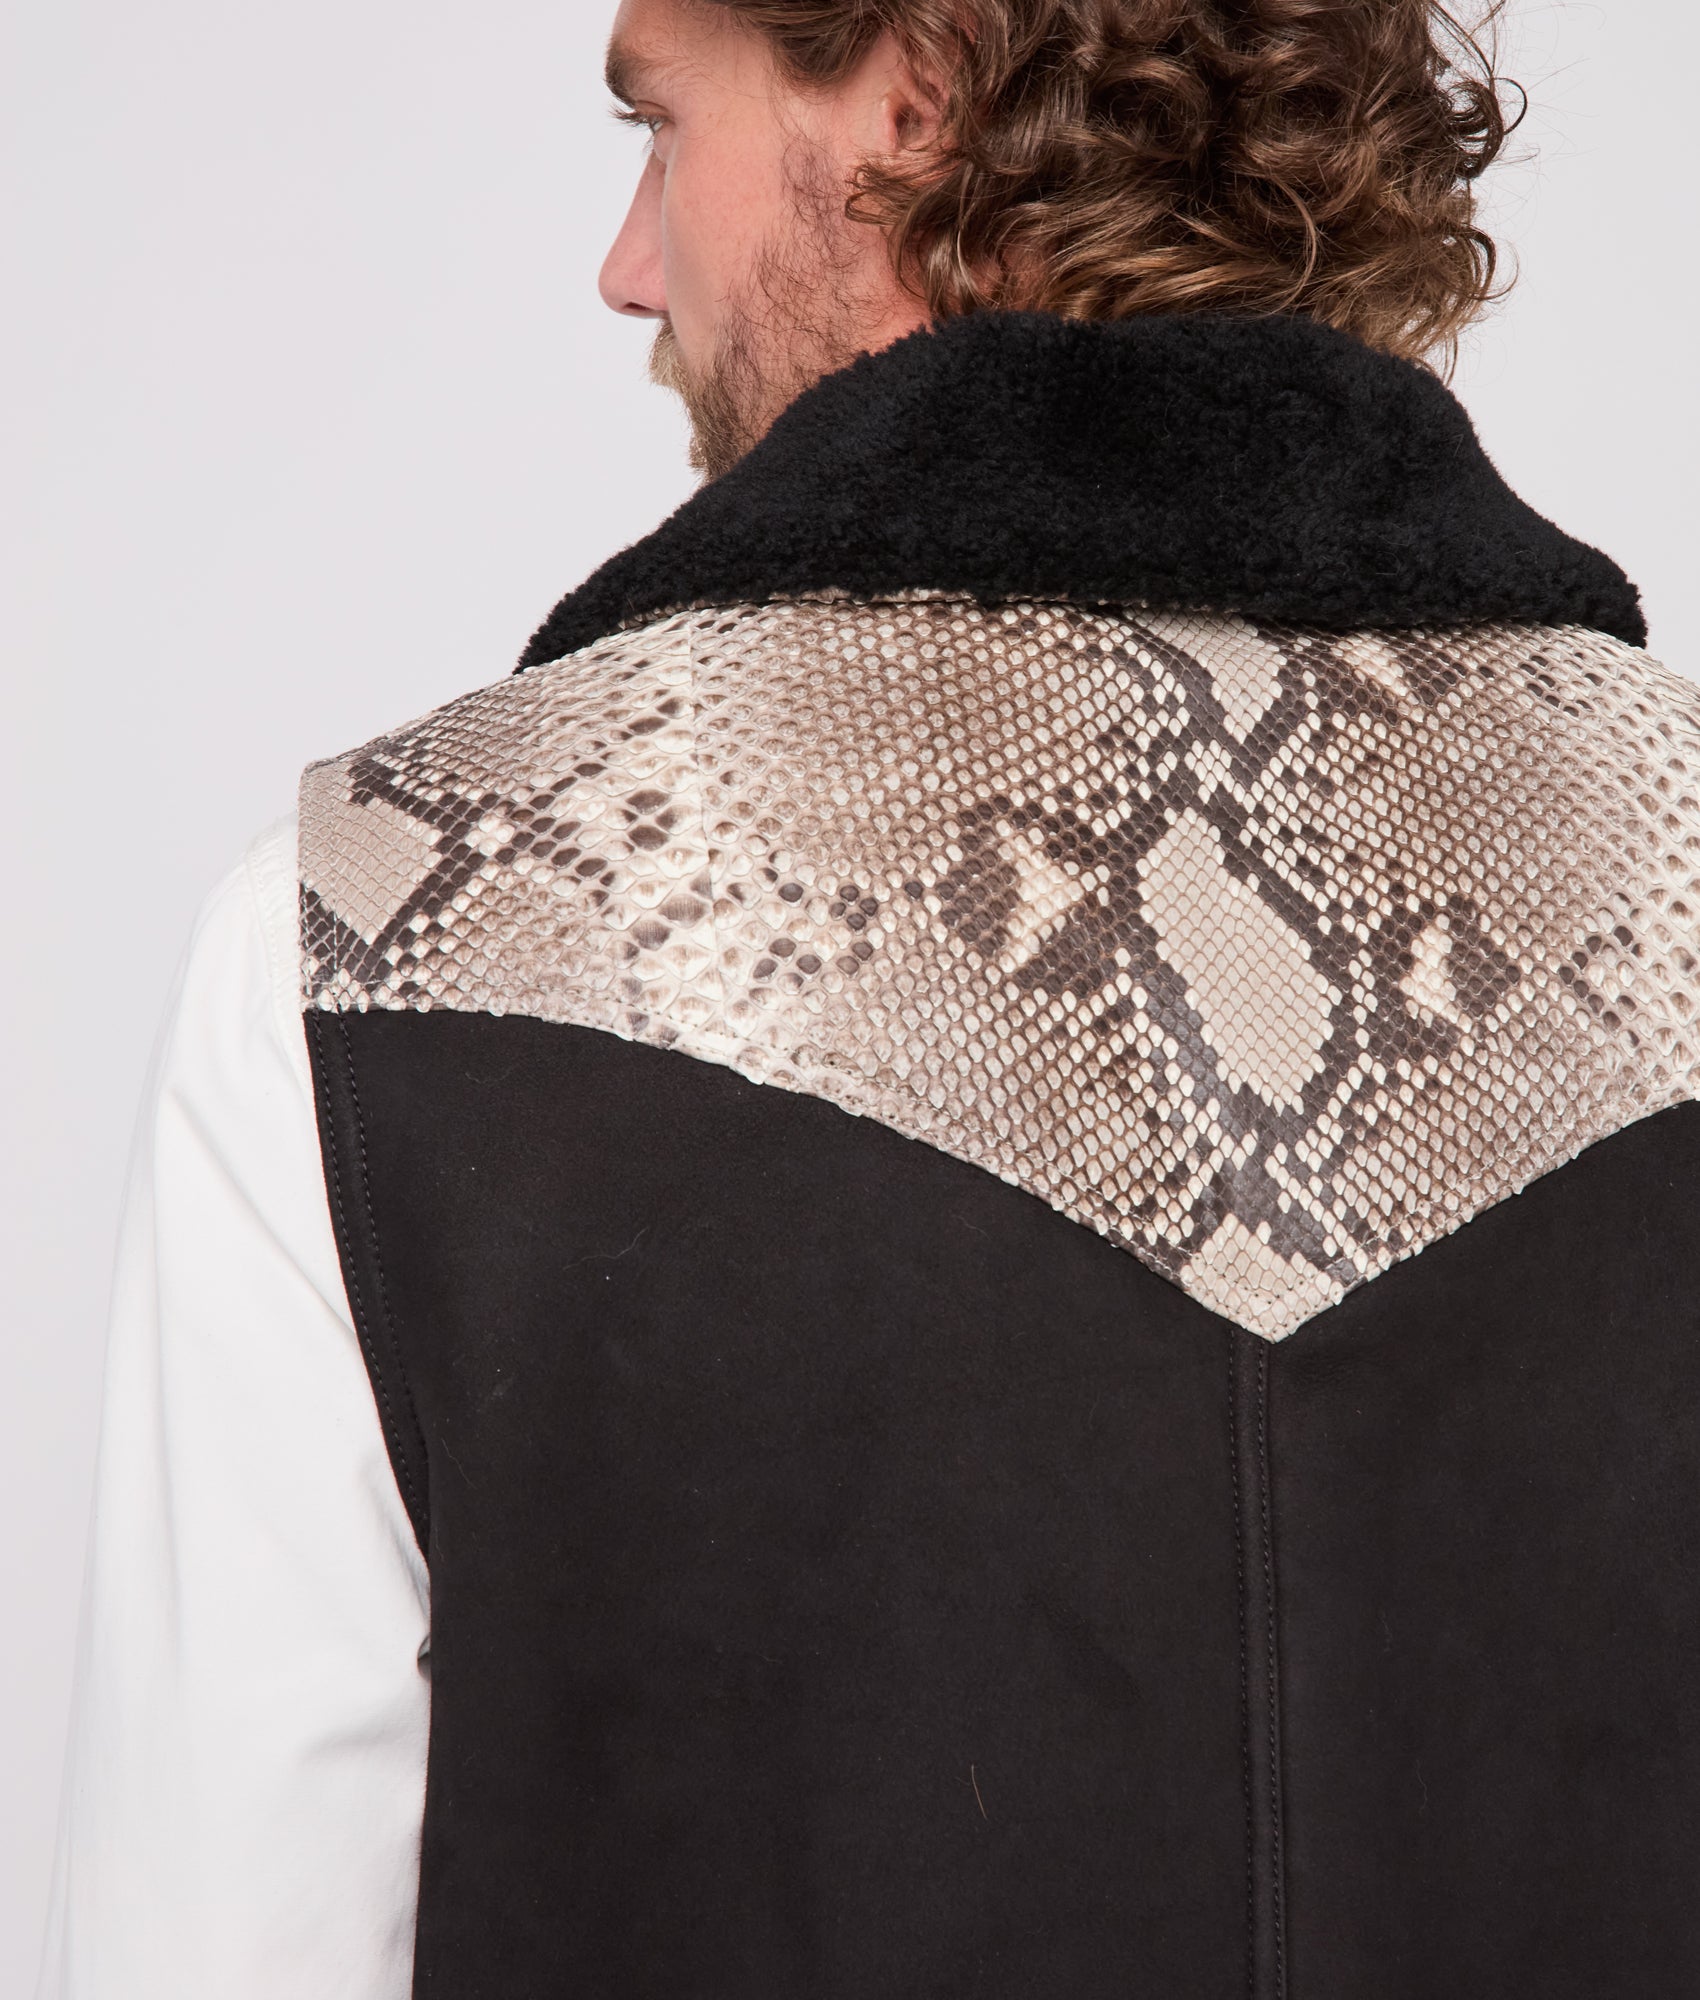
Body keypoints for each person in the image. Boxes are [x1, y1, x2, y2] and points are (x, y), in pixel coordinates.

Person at [40, 0, 1700, 1994]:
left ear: (917, 84)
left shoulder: (383, 936)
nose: (629, 266)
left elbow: (217, 1943)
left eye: (660, 127)